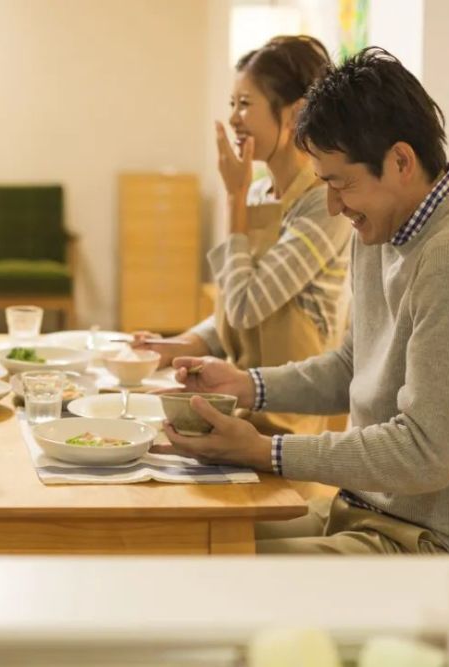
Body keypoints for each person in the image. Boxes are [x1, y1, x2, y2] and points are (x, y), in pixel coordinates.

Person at [159, 47, 449, 554]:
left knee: (215, 569)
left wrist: (271, 452)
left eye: (341, 183)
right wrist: (249, 386)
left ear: (401, 160)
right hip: (357, 510)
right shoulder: (381, 225)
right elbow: (352, 366)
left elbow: (426, 453)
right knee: (178, 536)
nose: (334, 205)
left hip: (422, 541)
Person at [136, 36, 352, 436]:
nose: (234, 118)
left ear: (295, 114)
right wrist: (186, 342)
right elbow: (240, 304)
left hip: (288, 426)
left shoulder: (324, 205)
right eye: (232, 103)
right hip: (238, 408)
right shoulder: (258, 193)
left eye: (246, 104)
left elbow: (246, 306)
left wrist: (233, 198)